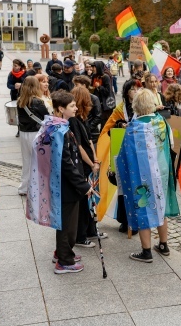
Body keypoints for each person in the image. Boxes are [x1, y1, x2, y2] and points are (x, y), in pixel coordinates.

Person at [29, 90, 92, 274]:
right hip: (66, 185)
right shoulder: (58, 130)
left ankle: (62, 252)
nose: (75, 108)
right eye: (72, 106)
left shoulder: (57, 125)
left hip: (66, 184)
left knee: (66, 222)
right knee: (67, 225)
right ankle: (64, 261)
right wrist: (83, 185)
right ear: (60, 109)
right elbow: (65, 162)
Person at [116, 89, 179, 262]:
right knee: (160, 205)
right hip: (161, 171)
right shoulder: (161, 122)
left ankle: (146, 251)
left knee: (142, 207)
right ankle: (164, 244)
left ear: (135, 105)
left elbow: (124, 155)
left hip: (141, 175)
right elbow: (171, 144)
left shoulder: (133, 128)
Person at [97, 80, 139, 235]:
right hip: (121, 151)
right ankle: (125, 220)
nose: (135, 92)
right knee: (122, 186)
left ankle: (136, 221)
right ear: (127, 91)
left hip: (137, 152)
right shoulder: (120, 109)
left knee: (135, 186)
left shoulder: (142, 107)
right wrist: (121, 124)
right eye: (133, 89)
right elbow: (108, 129)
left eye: (138, 89)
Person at [69, 86, 106, 248]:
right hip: (82, 165)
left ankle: (91, 229)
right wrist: (91, 163)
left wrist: (96, 159)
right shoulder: (73, 121)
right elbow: (79, 146)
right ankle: (80, 235)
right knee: (84, 200)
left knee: (91, 199)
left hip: (90, 164)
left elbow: (89, 140)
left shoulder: (83, 118)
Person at [17, 76, 49, 196]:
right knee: (38, 161)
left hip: (24, 133)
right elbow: (47, 117)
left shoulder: (21, 100)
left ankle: (23, 187)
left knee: (26, 161)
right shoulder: (38, 101)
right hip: (36, 133)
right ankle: (36, 187)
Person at [72, 75, 101, 142]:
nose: (74, 87)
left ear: (84, 86)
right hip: (78, 132)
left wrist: (88, 128)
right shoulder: (73, 97)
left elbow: (98, 116)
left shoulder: (94, 98)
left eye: (76, 85)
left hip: (92, 134)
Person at [91, 60, 113, 126]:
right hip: (97, 103)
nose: (92, 69)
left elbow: (108, 91)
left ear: (98, 67)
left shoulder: (106, 77)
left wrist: (99, 87)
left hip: (105, 105)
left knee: (105, 123)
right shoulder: (94, 76)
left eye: (93, 67)